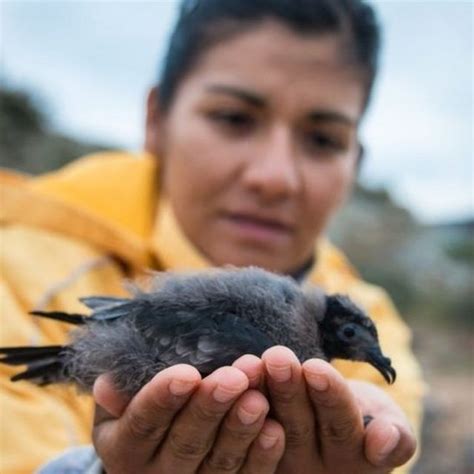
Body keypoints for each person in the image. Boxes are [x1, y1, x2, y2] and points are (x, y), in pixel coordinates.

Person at [0, 0, 425, 472]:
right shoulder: (14, 273)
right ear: (156, 120)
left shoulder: (377, 314)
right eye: (233, 118)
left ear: (357, 162)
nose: (274, 177)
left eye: (323, 139)